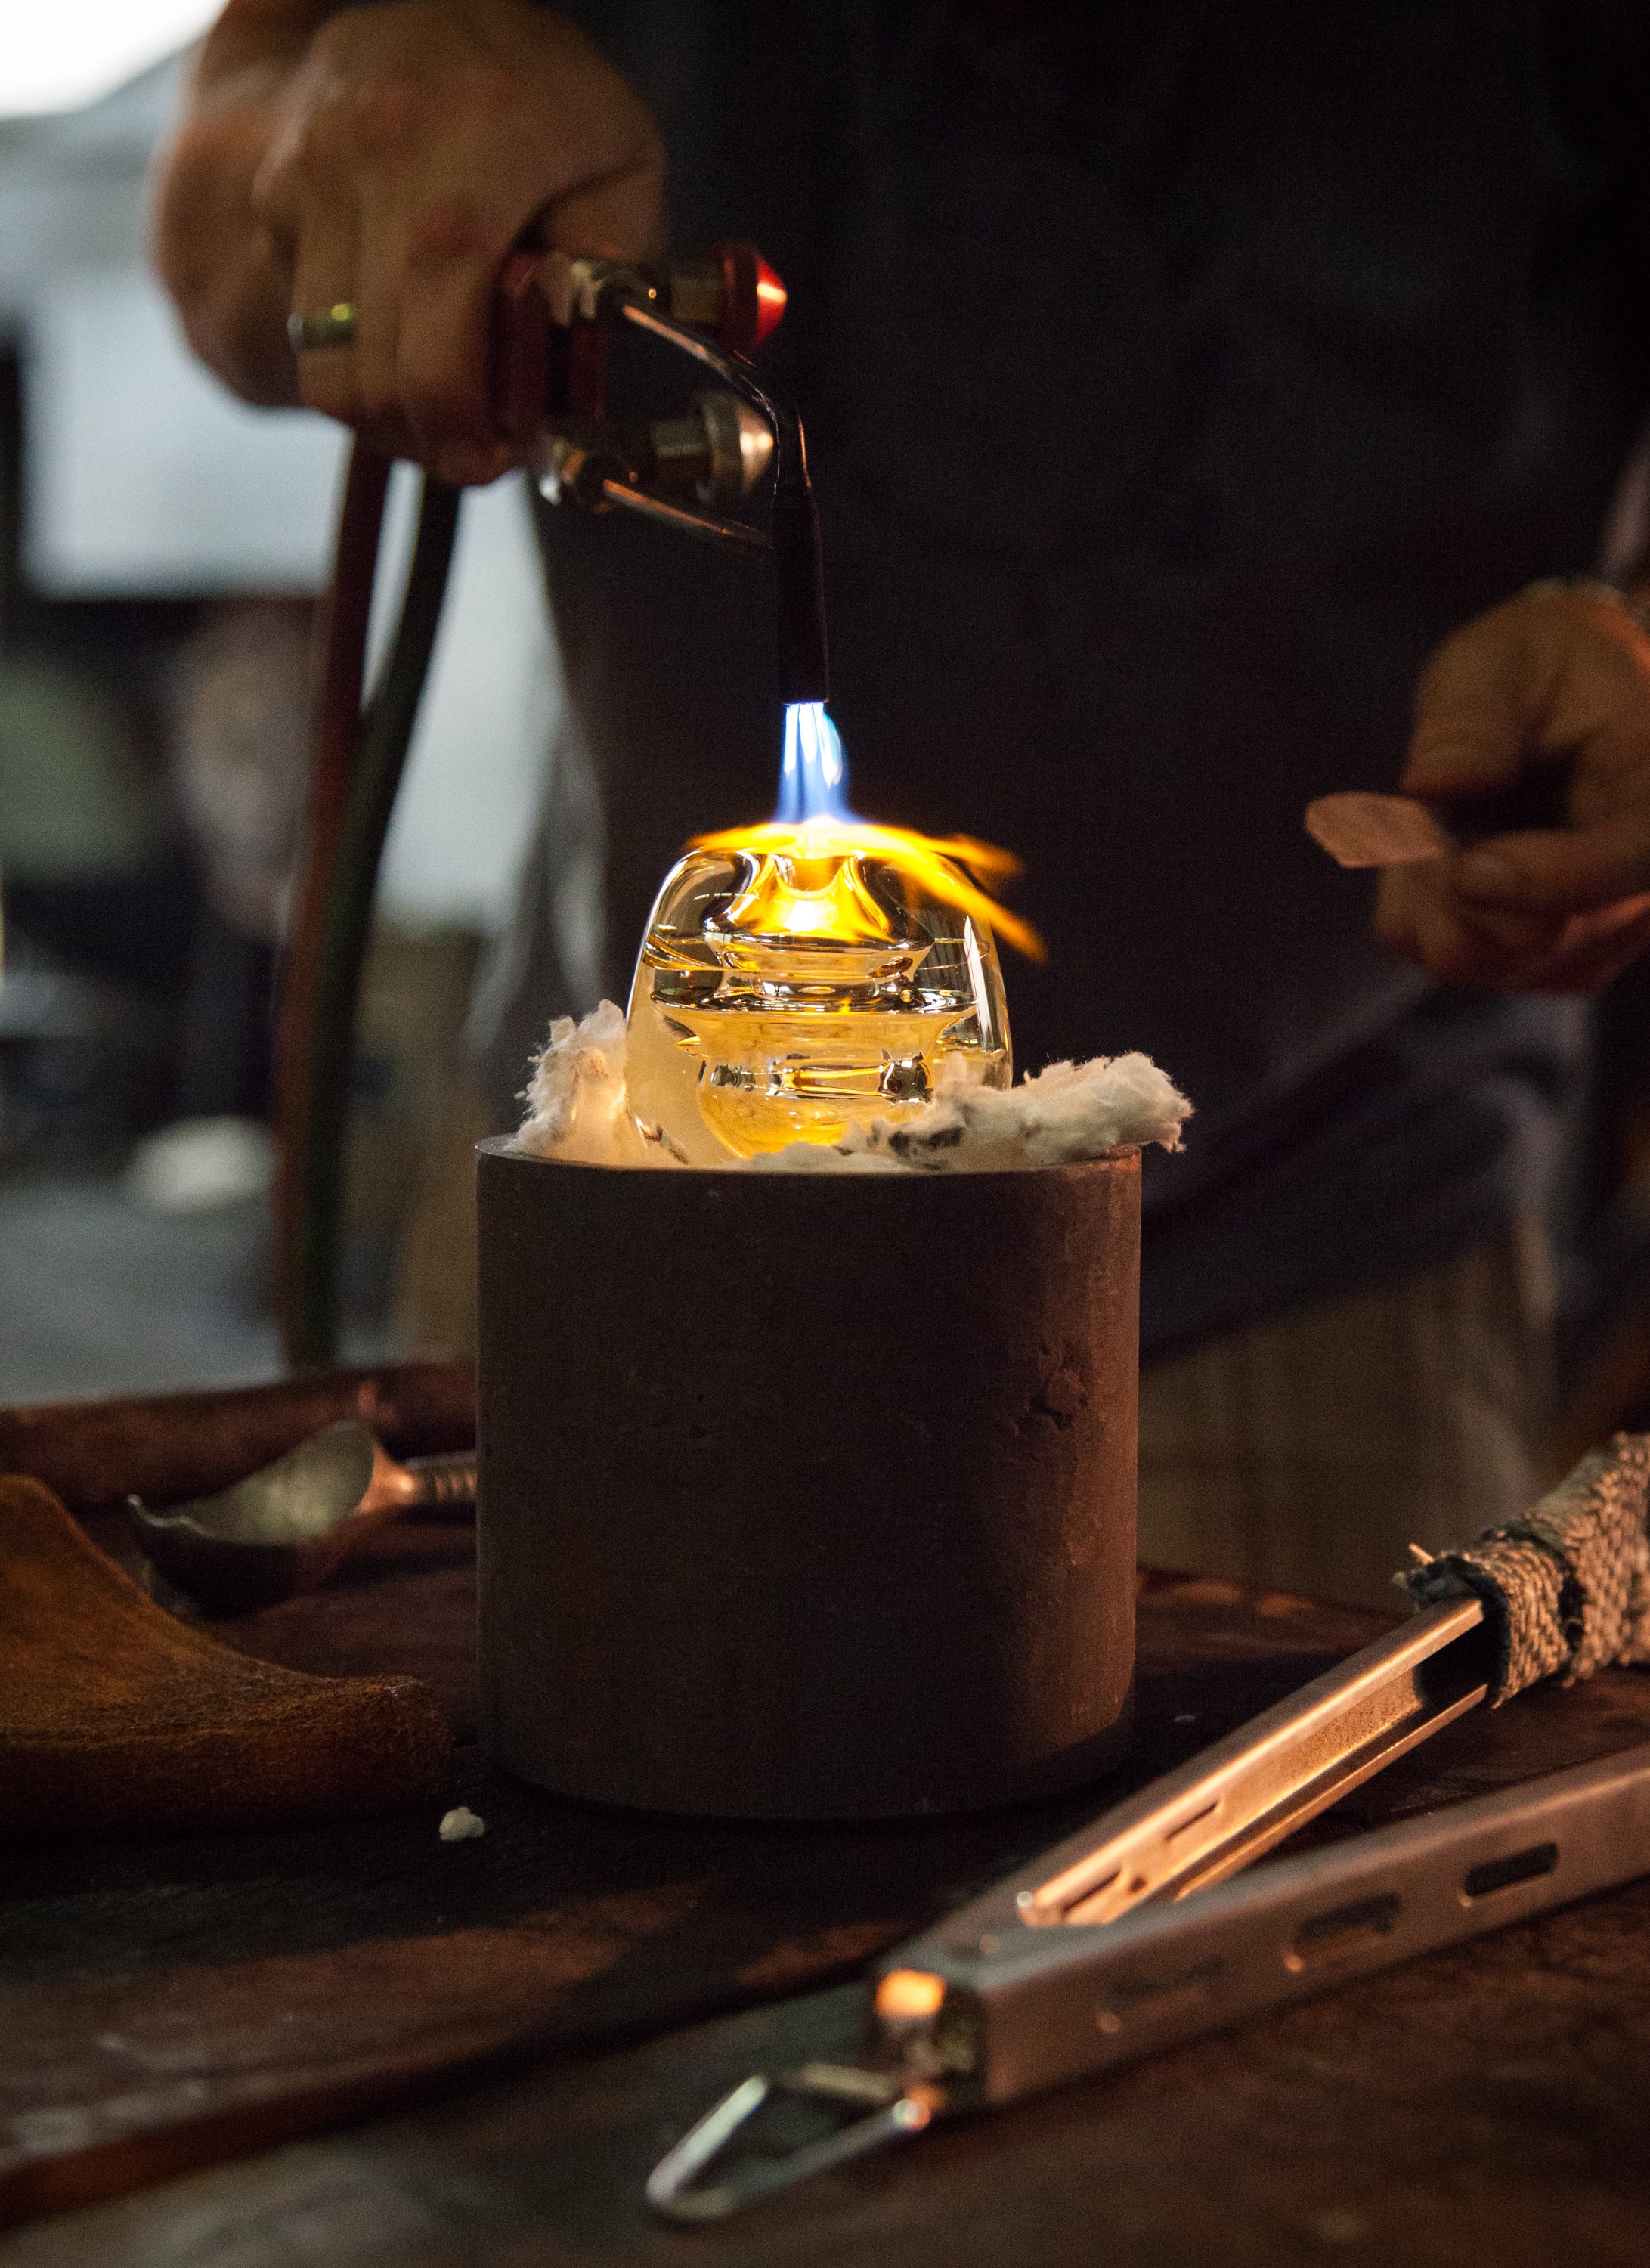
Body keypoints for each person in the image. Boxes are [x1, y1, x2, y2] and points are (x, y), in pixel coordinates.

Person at [153, 0, 1650, 1603]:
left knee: (1279, 1841)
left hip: (1307, 1216)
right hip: (616, 1200)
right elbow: (224, 191)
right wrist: (345, 110)